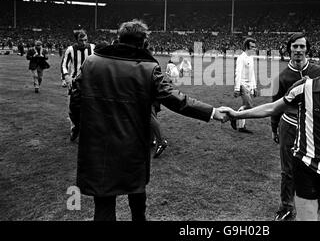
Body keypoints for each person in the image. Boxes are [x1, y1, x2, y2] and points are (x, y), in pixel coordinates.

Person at [71, 20, 229, 221]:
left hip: (98, 145)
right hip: (132, 144)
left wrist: (82, 127)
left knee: (103, 206)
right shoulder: (148, 68)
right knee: (137, 200)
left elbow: (75, 100)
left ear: (119, 38)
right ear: (143, 42)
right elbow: (176, 99)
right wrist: (212, 111)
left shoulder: (91, 62)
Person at [223, 39, 320, 221]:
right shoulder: (304, 88)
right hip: (304, 163)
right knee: (308, 217)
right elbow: (272, 108)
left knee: (308, 214)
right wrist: (236, 114)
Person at [271, 32, 320, 221]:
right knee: (288, 170)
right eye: (295, 46)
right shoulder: (282, 77)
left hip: (312, 127)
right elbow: (275, 106)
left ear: (307, 49)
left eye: (302, 46)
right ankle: (286, 207)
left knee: (311, 167)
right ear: (289, 49)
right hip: (289, 125)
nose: (298, 50)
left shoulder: (318, 71)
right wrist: (274, 127)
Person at [61, 30, 95, 141]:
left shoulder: (93, 48)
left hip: (90, 81)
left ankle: (85, 128)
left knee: (89, 105)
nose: (84, 42)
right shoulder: (70, 49)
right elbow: (64, 64)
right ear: (76, 40)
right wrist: (66, 76)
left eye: (85, 40)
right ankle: (74, 127)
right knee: (72, 107)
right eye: (81, 40)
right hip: (75, 81)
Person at [230, 37, 257, 133]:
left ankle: (241, 127)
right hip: (242, 85)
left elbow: (252, 73)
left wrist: (254, 87)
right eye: (252, 47)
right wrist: (237, 88)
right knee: (249, 106)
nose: (254, 49)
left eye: (255, 47)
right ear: (247, 47)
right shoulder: (241, 58)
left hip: (249, 86)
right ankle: (234, 116)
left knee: (245, 105)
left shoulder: (251, 58)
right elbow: (238, 73)